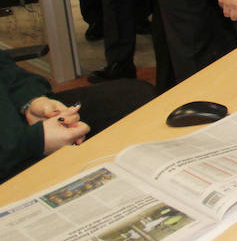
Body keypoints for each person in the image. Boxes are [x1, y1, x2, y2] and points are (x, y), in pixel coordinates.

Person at [2, 50, 155, 183]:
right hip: (10, 152)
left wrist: (31, 99)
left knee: (137, 96)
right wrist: (33, 142)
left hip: (15, 118)